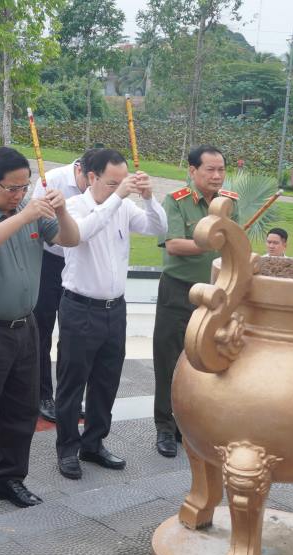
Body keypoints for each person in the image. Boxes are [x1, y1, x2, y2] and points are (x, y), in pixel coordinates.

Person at [0, 146, 81, 523]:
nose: (19, 196)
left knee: (21, 410)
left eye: (25, 188)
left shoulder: (31, 210)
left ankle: (8, 478)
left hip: (24, 327)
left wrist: (63, 210)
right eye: (12, 188)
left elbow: (70, 239)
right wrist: (20, 219)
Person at [54, 149, 166, 479]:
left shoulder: (124, 205)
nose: (121, 187)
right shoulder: (73, 206)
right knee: (72, 382)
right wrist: (118, 196)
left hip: (114, 309)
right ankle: (68, 448)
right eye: (113, 181)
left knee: (107, 380)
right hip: (79, 307)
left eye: (124, 180)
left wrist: (148, 198)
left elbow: (158, 228)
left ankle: (94, 442)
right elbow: (83, 233)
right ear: (92, 177)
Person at [153, 145, 237, 458]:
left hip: (216, 293)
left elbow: (234, 242)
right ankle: (164, 427)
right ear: (192, 171)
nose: (217, 176)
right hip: (179, 290)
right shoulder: (176, 202)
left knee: (209, 360)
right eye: (209, 170)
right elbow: (174, 245)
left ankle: (193, 425)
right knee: (169, 358)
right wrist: (213, 243)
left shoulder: (229, 204)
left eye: (221, 169)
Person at [29, 150, 94, 423]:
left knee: (72, 334)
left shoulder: (101, 186)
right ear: (79, 169)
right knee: (41, 330)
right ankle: (42, 395)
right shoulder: (53, 180)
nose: (93, 188)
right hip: (49, 261)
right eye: (89, 181)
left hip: (78, 263)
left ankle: (69, 397)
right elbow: (33, 218)